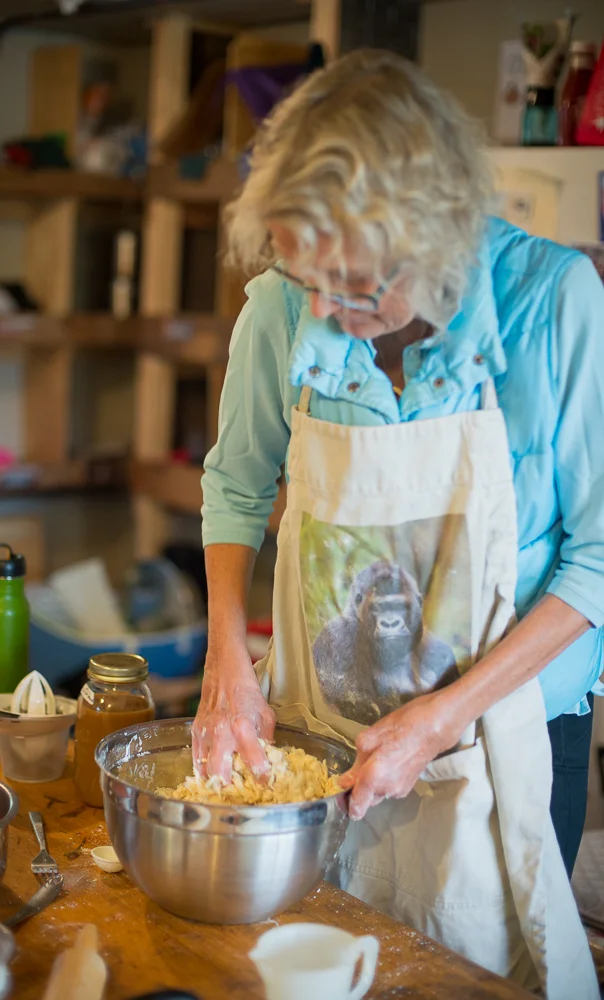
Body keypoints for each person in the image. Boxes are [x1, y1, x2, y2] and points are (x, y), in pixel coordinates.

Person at [196, 49, 602, 997]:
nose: (328, 313)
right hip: (319, 734)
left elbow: (597, 557)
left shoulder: (554, 306)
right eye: (309, 281)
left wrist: (441, 717)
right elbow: (237, 489)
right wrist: (225, 657)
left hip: (507, 742)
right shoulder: (284, 311)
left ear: (437, 232)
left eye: (358, 288)